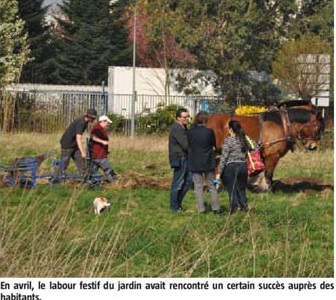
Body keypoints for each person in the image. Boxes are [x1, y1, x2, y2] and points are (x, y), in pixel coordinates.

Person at [187, 111, 221, 214]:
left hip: (195, 162)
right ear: (206, 120)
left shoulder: (190, 132)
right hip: (208, 161)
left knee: (198, 187)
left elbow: (188, 145)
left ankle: (201, 209)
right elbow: (214, 145)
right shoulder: (209, 132)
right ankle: (216, 208)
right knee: (211, 186)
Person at [218, 120, 249, 214]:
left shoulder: (229, 140)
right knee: (242, 189)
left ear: (231, 129)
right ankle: (244, 209)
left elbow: (224, 157)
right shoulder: (244, 139)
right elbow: (255, 147)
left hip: (231, 167)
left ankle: (234, 211)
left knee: (232, 190)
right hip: (243, 166)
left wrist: (219, 172)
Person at [57, 108, 98, 178]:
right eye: (93, 118)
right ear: (89, 116)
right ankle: (57, 179)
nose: (94, 120)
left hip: (74, 145)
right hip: (67, 144)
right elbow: (78, 138)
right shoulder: (81, 122)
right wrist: (82, 152)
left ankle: (85, 179)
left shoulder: (86, 121)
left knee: (81, 162)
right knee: (64, 163)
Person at [168, 108, 193, 212]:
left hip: (185, 157)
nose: (187, 118)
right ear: (178, 118)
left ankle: (178, 204)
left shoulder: (184, 127)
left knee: (188, 181)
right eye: (184, 117)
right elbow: (185, 144)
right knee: (178, 182)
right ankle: (174, 207)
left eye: (188, 116)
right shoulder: (177, 128)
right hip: (179, 157)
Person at [89, 115, 118, 182]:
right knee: (108, 170)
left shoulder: (100, 129)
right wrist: (102, 142)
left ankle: (92, 182)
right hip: (99, 155)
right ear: (103, 121)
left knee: (92, 172)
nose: (108, 124)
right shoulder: (97, 128)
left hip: (98, 154)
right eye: (107, 122)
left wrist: (106, 150)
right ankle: (115, 182)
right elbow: (93, 137)